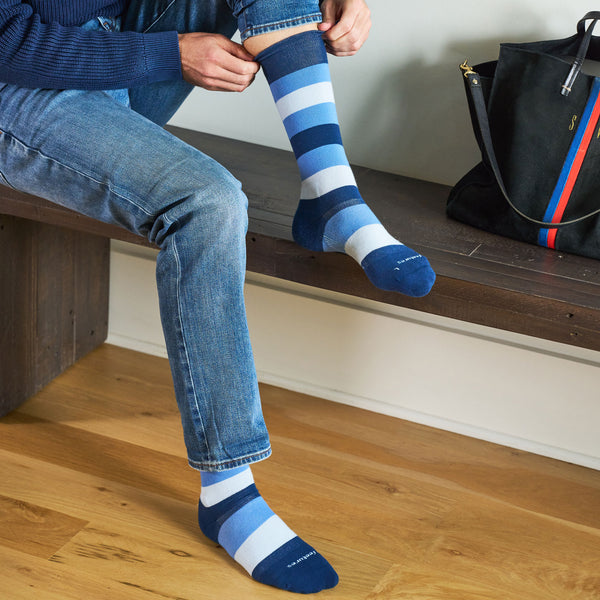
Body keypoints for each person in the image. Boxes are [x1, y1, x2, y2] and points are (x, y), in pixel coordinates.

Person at [0, 0, 435, 593]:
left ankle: (332, 194)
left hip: (108, 43)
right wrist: (167, 54)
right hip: (17, 82)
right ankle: (228, 491)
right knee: (207, 203)